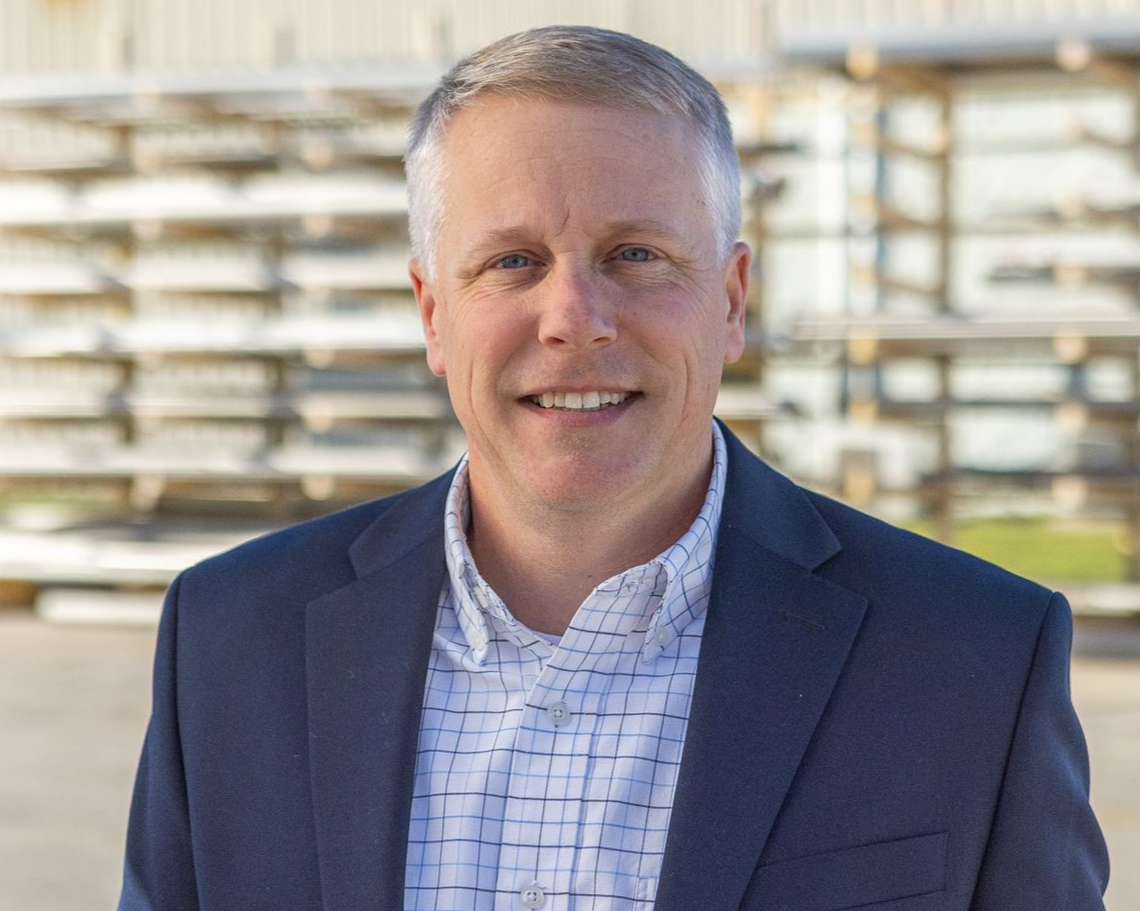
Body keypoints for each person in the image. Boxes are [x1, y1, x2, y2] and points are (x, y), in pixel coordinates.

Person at [118, 25, 1109, 911]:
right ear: (432, 313)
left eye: (635, 254)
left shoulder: (973, 659)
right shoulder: (230, 640)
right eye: (512, 260)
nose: (574, 320)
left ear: (731, 302)